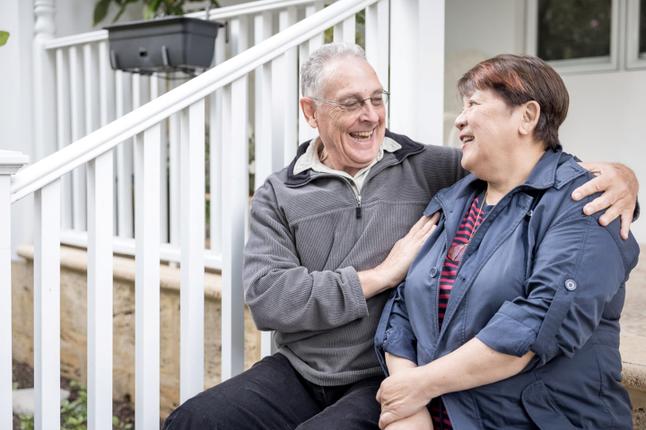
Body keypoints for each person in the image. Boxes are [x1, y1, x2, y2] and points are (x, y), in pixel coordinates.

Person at [164, 44, 638, 429]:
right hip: (312, 369)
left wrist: (624, 179)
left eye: (377, 99)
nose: (370, 115)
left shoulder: (433, 169)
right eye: (351, 103)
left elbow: (531, 168)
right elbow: (270, 300)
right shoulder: (281, 192)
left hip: (387, 375)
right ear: (311, 113)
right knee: (194, 421)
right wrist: (378, 276)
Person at [374, 54, 639, 430]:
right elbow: (402, 307)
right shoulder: (454, 201)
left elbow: (538, 324)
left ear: (527, 116)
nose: (460, 119)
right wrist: (408, 400)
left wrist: (421, 385)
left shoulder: (585, 201)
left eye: (473, 104)